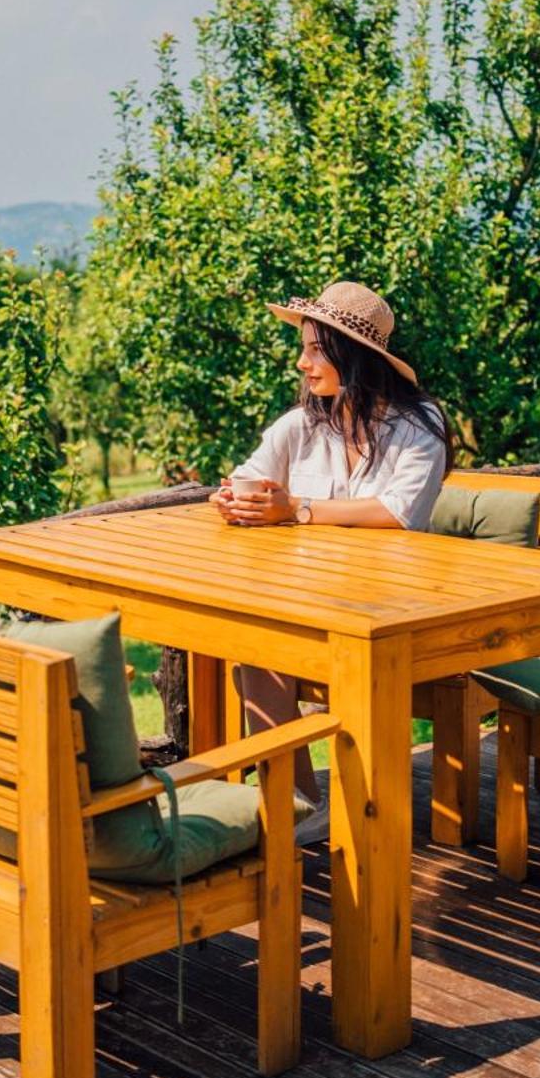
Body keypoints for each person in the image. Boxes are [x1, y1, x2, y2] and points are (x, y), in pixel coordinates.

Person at [214, 280, 452, 821]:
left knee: (260, 654)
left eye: (315, 349)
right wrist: (233, 500)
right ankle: (298, 804)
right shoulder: (302, 425)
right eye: (302, 348)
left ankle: (303, 805)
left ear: (356, 355)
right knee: (255, 646)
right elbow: (250, 477)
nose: (302, 363)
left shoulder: (419, 425)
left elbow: (397, 513)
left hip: (395, 611)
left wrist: (294, 508)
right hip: (317, 602)